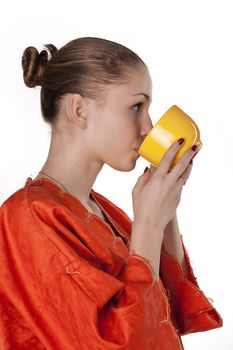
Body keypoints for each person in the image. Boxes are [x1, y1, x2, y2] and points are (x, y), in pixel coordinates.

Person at [0, 37, 222, 350]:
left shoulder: (102, 211)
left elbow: (167, 314)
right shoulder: (25, 217)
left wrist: (165, 209)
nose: (148, 127)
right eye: (136, 106)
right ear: (79, 110)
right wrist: (146, 226)